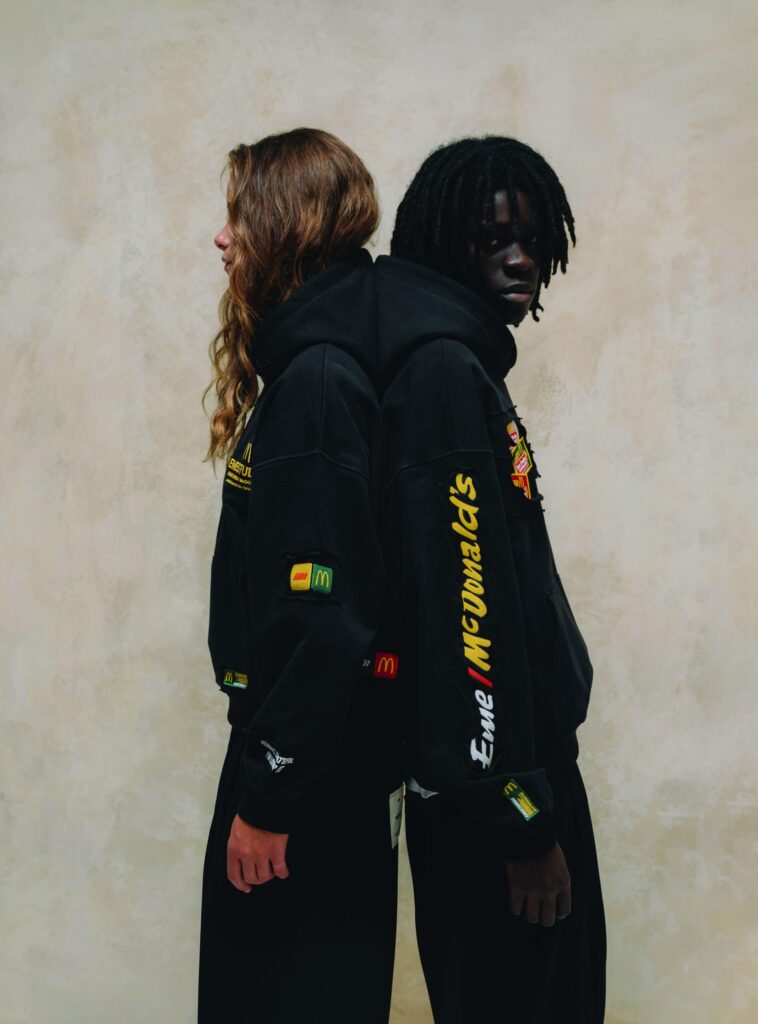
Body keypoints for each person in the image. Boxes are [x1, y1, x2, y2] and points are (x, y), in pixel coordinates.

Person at [372, 136, 607, 1023]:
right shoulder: (442, 376)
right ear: (443, 242)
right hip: (501, 809)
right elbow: (465, 621)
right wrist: (522, 821)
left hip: (514, 787)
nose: (520, 259)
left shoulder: (461, 366)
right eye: (492, 238)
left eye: (533, 239)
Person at [198, 128, 405, 1024]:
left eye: (239, 216)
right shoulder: (318, 366)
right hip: (318, 774)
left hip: (306, 791)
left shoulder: (319, 382)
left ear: (287, 225)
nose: (222, 238)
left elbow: (327, 620)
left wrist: (269, 798)